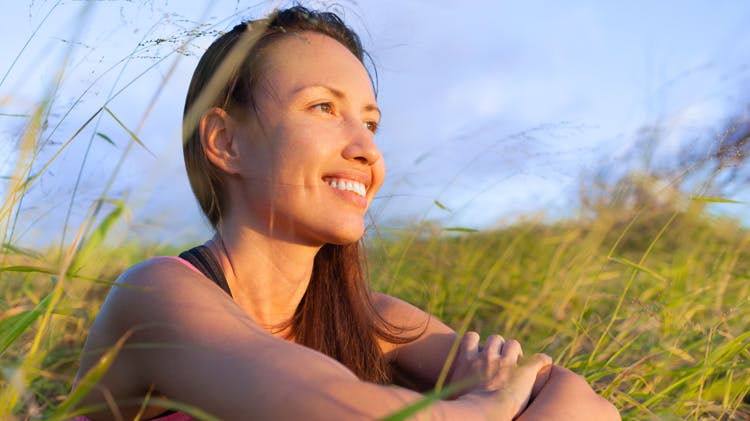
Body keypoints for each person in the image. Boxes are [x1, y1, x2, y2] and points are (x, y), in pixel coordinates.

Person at [74, 6, 620, 420]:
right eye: (323, 108)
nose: (366, 149)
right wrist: (487, 405)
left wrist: (496, 397)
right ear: (225, 141)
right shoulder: (155, 298)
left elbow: (587, 404)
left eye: (371, 122)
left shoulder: (374, 319)